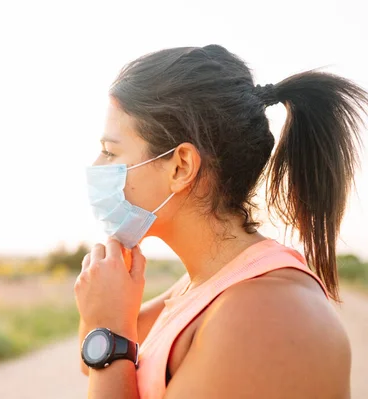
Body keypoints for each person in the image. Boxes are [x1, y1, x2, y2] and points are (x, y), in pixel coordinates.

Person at [74, 44, 368, 399]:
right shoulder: (206, 284)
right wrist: (103, 314)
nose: (96, 167)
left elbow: (107, 348)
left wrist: (107, 323)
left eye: (110, 151)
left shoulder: (264, 313)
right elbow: (95, 357)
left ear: (181, 167)